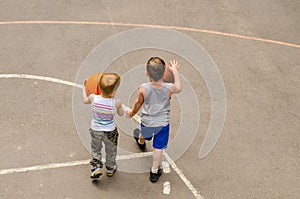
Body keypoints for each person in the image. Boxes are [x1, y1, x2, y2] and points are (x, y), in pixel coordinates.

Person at [127, 57, 182, 182]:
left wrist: (132, 112)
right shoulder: (169, 88)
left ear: (147, 73)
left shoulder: (143, 88)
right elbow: (179, 87)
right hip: (162, 123)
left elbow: (138, 103)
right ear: (164, 73)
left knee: (145, 134)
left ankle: (141, 141)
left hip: (148, 121)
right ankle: (154, 171)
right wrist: (175, 71)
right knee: (158, 147)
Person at [82, 73, 124, 178]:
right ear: (114, 92)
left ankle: (96, 167)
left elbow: (84, 100)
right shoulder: (116, 102)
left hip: (96, 130)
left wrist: (84, 87)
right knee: (111, 150)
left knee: (96, 148)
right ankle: (110, 168)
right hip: (110, 131)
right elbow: (121, 113)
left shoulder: (93, 98)